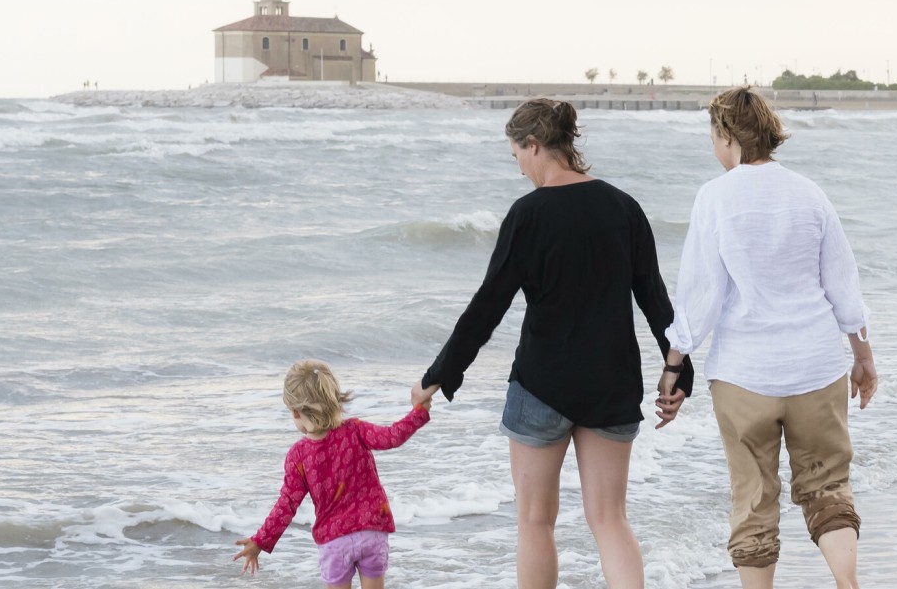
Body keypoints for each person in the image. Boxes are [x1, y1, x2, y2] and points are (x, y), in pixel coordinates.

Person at [410, 98, 691, 589]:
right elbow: (657, 301)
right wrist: (678, 372)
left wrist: (439, 375)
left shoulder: (528, 214)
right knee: (609, 520)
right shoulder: (623, 207)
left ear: (534, 145)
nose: (518, 165)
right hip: (612, 385)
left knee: (535, 522)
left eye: (516, 152)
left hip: (542, 385)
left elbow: (487, 306)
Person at [655, 86, 879, 589]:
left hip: (744, 376)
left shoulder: (715, 196)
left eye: (713, 135)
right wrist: (863, 358)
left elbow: (699, 295)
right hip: (817, 367)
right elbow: (843, 285)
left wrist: (674, 366)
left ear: (727, 136)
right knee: (828, 488)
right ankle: (848, 583)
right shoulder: (809, 192)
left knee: (753, 498)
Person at [233, 360, 432, 589]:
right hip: (372, 530)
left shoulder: (298, 455)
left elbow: (287, 505)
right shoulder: (356, 430)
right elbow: (392, 437)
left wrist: (261, 541)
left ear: (296, 412)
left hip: (335, 541)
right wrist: (419, 412)